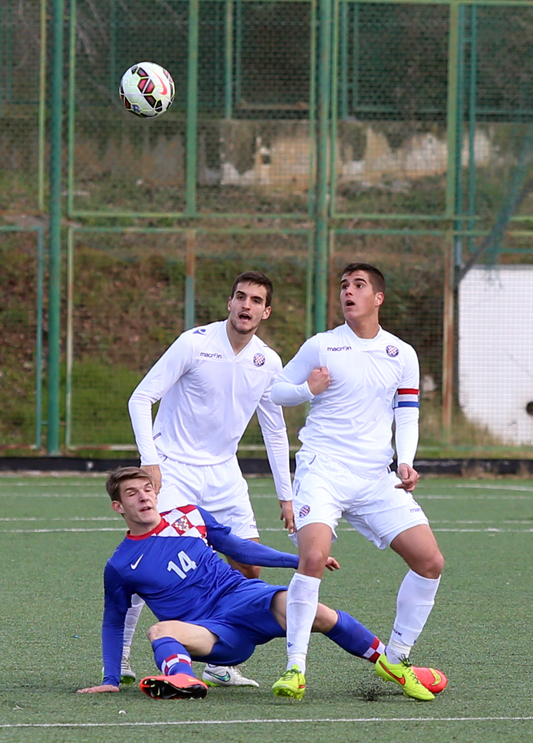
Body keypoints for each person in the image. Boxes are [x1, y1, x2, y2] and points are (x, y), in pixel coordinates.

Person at [78, 468, 446, 700]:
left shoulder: (188, 516)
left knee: (316, 612)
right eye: (132, 493)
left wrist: (298, 560)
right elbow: (113, 621)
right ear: (118, 507)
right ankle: (184, 681)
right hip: (211, 632)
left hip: (244, 597)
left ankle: (394, 665)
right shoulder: (120, 564)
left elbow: (238, 548)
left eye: (147, 489)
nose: (144, 496)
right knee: (160, 631)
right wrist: (111, 677)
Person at [269, 262, 445, 702]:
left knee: (430, 562)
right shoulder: (322, 345)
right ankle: (295, 668)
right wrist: (308, 390)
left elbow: (407, 413)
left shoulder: (401, 353)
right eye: (344, 285)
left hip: (375, 477)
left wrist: (406, 461)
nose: (348, 291)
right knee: (312, 557)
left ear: (377, 298)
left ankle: (396, 658)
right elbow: (276, 390)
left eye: (359, 285)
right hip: (323, 470)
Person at [125, 271, 294, 688]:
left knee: (249, 568)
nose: (246, 305)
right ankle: (122, 660)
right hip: (174, 470)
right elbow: (141, 398)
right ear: (229, 303)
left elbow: (274, 430)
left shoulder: (268, 362)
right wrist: (151, 461)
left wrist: (286, 496)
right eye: (240, 297)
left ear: (266, 312)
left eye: (256, 300)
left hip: (224, 474)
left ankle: (218, 662)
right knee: (153, 567)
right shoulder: (194, 343)